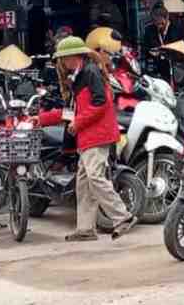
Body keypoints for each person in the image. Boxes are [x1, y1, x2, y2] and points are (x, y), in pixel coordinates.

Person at [53, 35, 135, 242]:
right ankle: (85, 229)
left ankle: (122, 216)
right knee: (84, 183)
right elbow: (76, 109)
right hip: (89, 136)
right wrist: (44, 118)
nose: (62, 63)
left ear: (74, 57)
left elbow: (100, 103)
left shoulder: (90, 73)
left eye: (64, 58)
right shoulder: (80, 74)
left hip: (97, 135)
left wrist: (78, 123)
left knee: (94, 178)